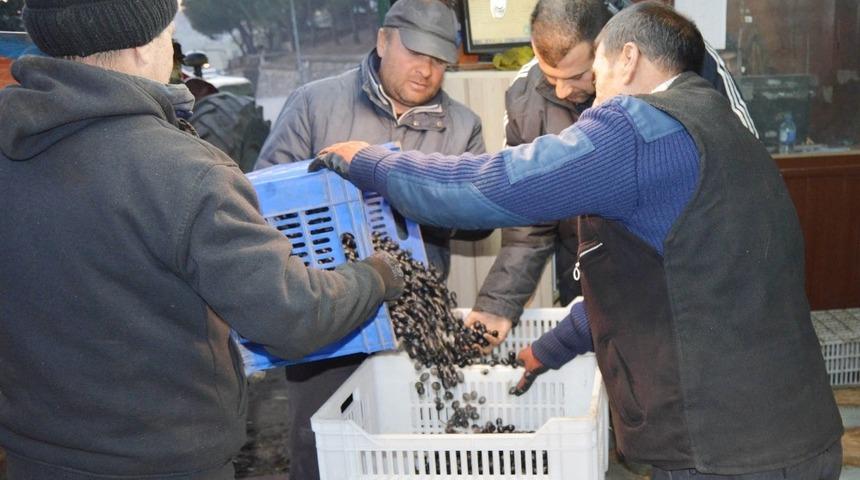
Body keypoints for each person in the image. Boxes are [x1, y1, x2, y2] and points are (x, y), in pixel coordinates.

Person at [314, 3, 844, 478]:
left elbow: (487, 187)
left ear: (628, 59)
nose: (587, 94)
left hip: (722, 453)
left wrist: (371, 161)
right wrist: (549, 349)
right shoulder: (724, 130)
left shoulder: (637, 128)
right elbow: (676, 283)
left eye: (595, 73)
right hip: (802, 435)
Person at [0, 0, 404, 478]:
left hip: (34, 455)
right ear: (139, 43)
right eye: (167, 33)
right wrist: (375, 276)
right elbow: (292, 315)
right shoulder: (184, 170)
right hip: (165, 461)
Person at [254, 0, 487, 478]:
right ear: (383, 41)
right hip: (327, 315)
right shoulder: (314, 104)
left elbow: (481, 217)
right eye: (416, 53)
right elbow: (265, 201)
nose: (427, 70)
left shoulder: (462, 126)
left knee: (410, 445)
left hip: (410, 317)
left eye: (440, 61)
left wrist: (414, 195)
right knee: (322, 442)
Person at [468, 0, 759, 357]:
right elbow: (529, 218)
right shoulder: (524, 94)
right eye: (551, 78)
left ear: (617, 52)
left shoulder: (682, 57)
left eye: (577, 76)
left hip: (683, 287)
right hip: (587, 286)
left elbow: (741, 178)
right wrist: (499, 302)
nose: (561, 91)